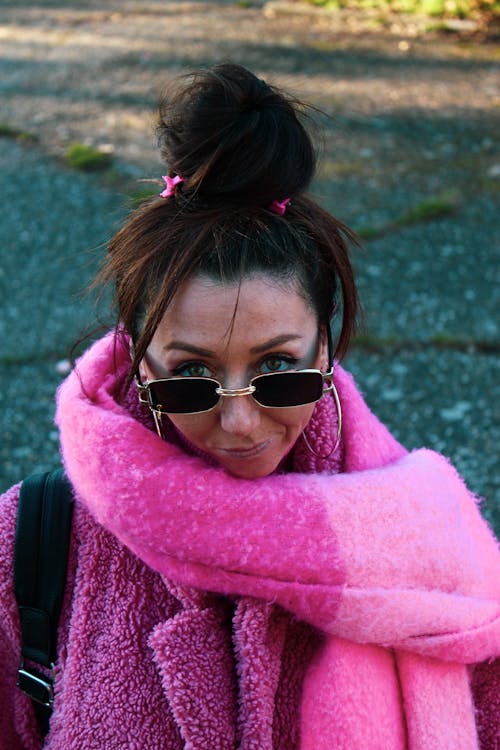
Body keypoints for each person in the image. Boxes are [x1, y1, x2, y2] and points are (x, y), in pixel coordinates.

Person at [0, 63, 498, 750]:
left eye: (277, 370)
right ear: (139, 362)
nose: (239, 423)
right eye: (192, 376)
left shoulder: (435, 550)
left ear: (326, 348)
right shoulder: (30, 546)